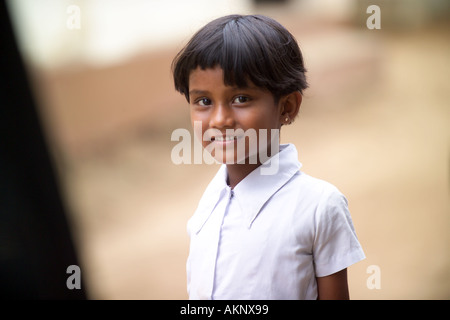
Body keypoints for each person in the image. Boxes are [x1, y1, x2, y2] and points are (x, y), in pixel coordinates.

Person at [171, 14, 365, 300]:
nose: (220, 119)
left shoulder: (319, 207)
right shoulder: (209, 204)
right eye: (204, 101)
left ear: (287, 106)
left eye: (241, 98)